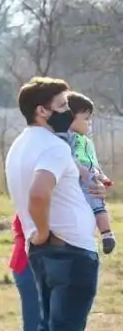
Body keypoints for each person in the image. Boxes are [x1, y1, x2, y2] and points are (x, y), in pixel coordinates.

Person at [5, 77, 107, 331]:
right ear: (41, 111)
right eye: (62, 105)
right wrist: (45, 230)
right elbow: (38, 193)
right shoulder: (53, 147)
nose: (68, 111)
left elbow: (56, 188)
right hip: (69, 251)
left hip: (45, 253)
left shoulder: (20, 145)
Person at [62, 92, 114, 254]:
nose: (89, 123)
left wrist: (102, 176)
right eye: (85, 119)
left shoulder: (87, 142)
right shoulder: (67, 137)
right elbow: (67, 155)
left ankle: (107, 234)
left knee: (98, 203)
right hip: (77, 178)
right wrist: (79, 169)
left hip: (91, 177)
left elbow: (94, 162)